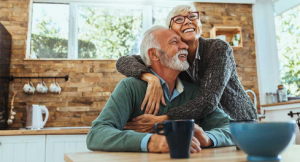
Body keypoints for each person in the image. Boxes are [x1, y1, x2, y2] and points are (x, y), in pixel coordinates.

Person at [86, 26, 234, 153]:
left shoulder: (194, 92)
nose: (185, 46)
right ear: (154, 54)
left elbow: (232, 128)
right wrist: (152, 141)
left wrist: (208, 138)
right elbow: (96, 134)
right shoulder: (130, 87)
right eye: (175, 42)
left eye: (182, 42)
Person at [115, 5, 258, 127]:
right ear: (170, 30)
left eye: (192, 17)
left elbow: (208, 100)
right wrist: (151, 78)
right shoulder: (173, 59)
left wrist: (164, 119)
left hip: (239, 121)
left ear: (199, 25)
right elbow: (123, 61)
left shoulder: (218, 48)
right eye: (178, 19)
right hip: (209, 125)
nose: (187, 22)